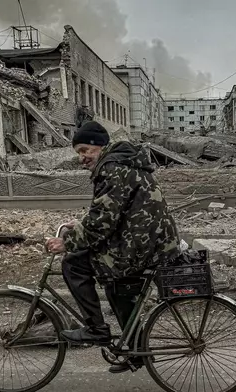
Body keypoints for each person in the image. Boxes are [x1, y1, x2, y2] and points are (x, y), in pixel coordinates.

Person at [45, 121, 180, 373]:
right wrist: (81, 224)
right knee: (116, 285)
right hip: (150, 242)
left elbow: (103, 221)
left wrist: (67, 243)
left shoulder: (112, 168)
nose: (82, 158)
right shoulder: (121, 163)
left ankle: (96, 329)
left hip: (141, 245)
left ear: (100, 146)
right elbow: (111, 211)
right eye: (79, 153)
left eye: (85, 150)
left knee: (74, 264)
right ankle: (135, 351)